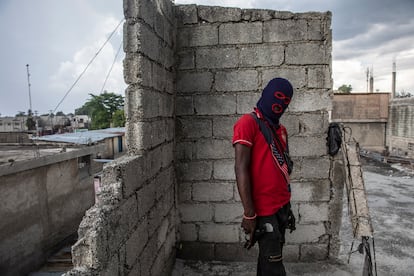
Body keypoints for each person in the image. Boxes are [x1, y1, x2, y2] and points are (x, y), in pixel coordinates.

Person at [233, 77, 296, 276]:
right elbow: (240, 168)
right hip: (263, 211)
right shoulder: (248, 123)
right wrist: (249, 213)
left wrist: (288, 207)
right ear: (266, 93)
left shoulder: (281, 130)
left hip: (282, 207)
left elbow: (282, 170)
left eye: (285, 100)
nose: (280, 104)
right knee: (274, 267)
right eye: (277, 97)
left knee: (268, 262)